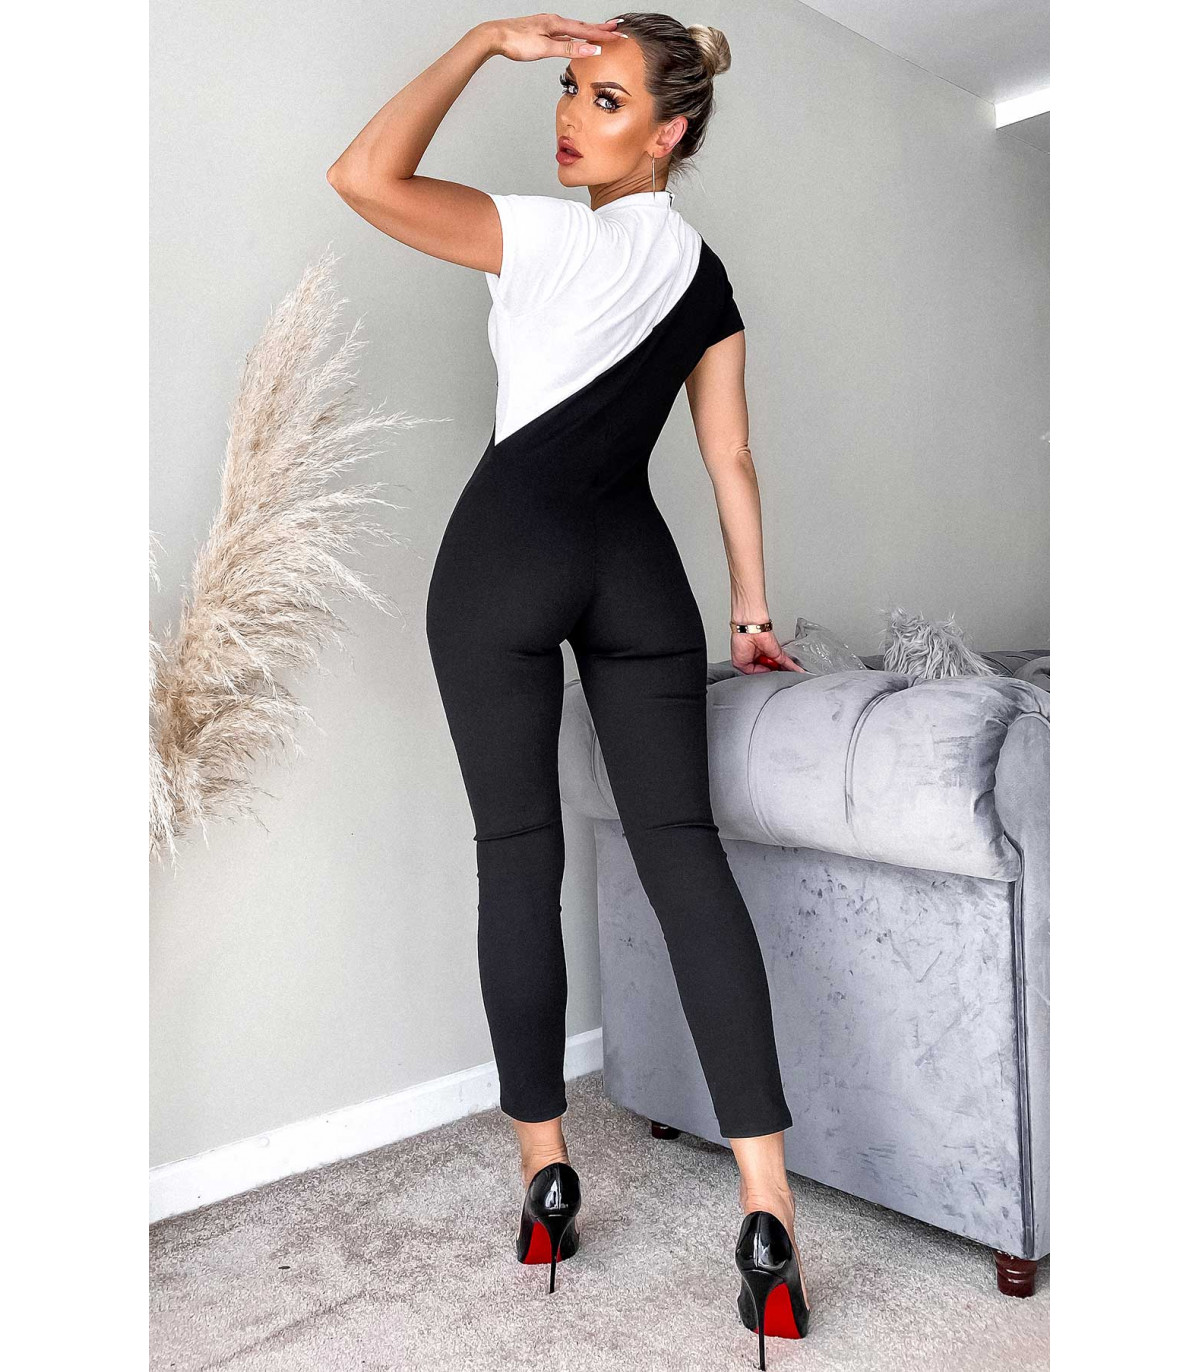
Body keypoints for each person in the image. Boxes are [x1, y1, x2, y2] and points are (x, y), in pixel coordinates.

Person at [328, 12, 810, 1361]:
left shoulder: (540, 236)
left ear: (668, 130)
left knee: (516, 859)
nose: (568, 116)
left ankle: (546, 1180)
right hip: (637, 570)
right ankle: (767, 1213)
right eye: (565, 88)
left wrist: (481, 43)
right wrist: (752, 611)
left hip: (506, 557)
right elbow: (729, 457)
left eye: (603, 99)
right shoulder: (706, 276)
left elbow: (363, 176)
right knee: (686, 862)